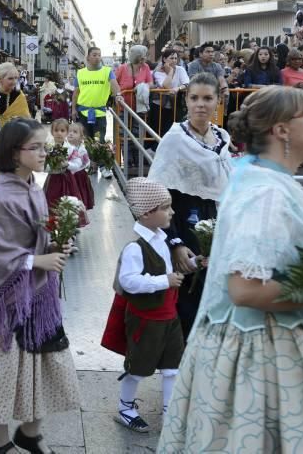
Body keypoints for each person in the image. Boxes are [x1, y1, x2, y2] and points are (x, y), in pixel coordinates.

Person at [157, 86, 303, 453]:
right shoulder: (265, 192)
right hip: (263, 358)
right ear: (282, 130)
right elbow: (245, 289)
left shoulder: (271, 184)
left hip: (275, 347)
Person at [0, 118, 79, 454]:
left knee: (46, 360)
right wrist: (37, 261)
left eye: (45, 146)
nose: (45, 152)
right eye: (37, 147)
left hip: (38, 294)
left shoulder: (31, 185)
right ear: (15, 153)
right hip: (9, 297)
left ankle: (30, 432)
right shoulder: (2, 194)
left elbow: (38, 233)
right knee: (6, 367)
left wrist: (58, 245)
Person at [147, 73, 233, 338]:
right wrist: (175, 243)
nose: (200, 105)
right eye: (194, 98)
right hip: (183, 223)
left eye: (208, 98)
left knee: (213, 300)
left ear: (217, 101)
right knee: (187, 303)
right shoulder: (175, 139)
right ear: (186, 100)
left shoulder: (222, 138)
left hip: (216, 225)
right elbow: (158, 195)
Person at [102, 177, 184, 433]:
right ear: (148, 212)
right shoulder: (135, 249)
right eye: (166, 207)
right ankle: (126, 408)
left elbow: (171, 270)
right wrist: (164, 280)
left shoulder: (161, 239)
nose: (172, 211)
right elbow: (128, 282)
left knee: (173, 367)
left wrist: (193, 265)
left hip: (169, 317)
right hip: (147, 319)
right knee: (137, 368)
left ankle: (171, 411)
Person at [72, 47, 123, 178]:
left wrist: (118, 94)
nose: (97, 57)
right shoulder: (80, 73)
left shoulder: (107, 71)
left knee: (98, 139)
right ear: (88, 57)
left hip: (99, 114)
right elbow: (76, 92)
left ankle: (103, 166)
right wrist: (73, 109)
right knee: (88, 141)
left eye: (99, 55)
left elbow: (114, 85)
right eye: (94, 55)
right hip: (83, 112)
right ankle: (93, 166)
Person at [44, 119, 83, 216]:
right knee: (52, 201)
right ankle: (53, 222)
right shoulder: (48, 147)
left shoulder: (71, 148)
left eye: (62, 131)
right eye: (56, 130)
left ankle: (67, 223)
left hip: (67, 180)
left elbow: (78, 163)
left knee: (68, 203)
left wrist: (67, 164)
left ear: (67, 132)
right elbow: (43, 165)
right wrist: (51, 167)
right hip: (52, 179)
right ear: (52, 132)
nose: (59, 133)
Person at [153, 48, 189, 137]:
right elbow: (166, 86)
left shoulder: (180, 69)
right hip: (161, 104)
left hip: (176, 104)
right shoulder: (158, 71)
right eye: (171, 58)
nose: (174, 61)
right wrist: (171, 71)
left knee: (173, 129)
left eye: (176, 58)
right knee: (160, 130)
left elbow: (187, 83)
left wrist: (178, 88)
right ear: (164, 59)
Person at [67, 122, 93, 211]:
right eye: (69, 131)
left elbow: (86, 162)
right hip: (67, 176)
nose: (71, 133)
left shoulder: (81, 149)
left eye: (75, 132)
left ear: (81, 137)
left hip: (78, 176)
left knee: (79, 193)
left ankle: (80, 208)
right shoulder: (65, 146)